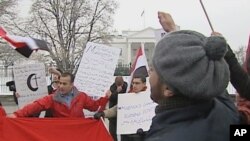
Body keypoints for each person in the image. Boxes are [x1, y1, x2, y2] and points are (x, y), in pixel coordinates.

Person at [144, 12, 240, 141]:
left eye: (153, 70)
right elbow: (204, 72)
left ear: (168, 89)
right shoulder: (228, 112)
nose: (149, 75)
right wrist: (173, 32)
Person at [9, 72, 111, 118]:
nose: (61, 86)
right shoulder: (52, 98)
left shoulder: (82, 96)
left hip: (78, 133)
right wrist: (16, 115)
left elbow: (94, 107)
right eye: (60, 83)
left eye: (64, 84)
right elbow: (36, 105)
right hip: (61, 133)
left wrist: (106, 97)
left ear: (72, 84)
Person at [94, 74, 147, 141]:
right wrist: (103, 113)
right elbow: (117, 109)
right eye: (133, 83)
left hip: (143, 135)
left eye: (137, 83)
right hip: (126, 135)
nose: (134, 86)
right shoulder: (128, 95)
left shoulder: (151, 97)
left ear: (144, 84)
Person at [108, 76, 127, 141]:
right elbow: (111, 98)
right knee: (112, 132)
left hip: (123, 113)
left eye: (121, 85)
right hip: (113, 113)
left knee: (124, 133)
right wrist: (116, 91)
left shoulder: (126, 85)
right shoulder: (112, 87)